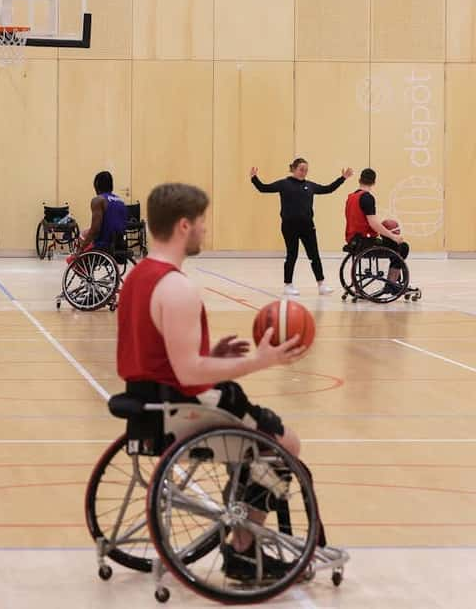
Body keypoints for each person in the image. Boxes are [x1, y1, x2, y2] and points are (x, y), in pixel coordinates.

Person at [117, 182, 306, 580]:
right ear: (184, 225)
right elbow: (189, 374)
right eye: (202, 221)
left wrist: (211, 355)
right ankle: (242, 545)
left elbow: (160, 354)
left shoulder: (138, 277)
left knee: (259, 431)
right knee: (285, 443)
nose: (206, 229)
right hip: (180, 407)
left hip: (148, 397)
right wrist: (260, 360)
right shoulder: (177, 287)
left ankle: (240, 504)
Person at [250, 158, 353, 296]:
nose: (304, 172)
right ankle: (288, 285)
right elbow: (264, 188)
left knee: (314, 255)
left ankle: (321, 284)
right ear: (293, 169)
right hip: (289, 226)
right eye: (301, 169)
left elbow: (328, 189)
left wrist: (343, 178)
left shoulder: (310, 186)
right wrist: (254, 178)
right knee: (292, 254)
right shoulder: (284, 184)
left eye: (306, 170)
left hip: (307, 226)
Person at [344, 168, 410, 292]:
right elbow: (374, 224)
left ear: (359, 180)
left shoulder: (351, 197)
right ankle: (391, 284)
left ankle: (392, 281)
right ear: (374, 182)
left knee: (392, 244)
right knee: (402, 247)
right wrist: (393, 236)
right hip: (366, 242)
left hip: (353, 240)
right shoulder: (367, 198)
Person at [73, 171, 127, 254]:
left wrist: (81, 249)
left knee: (83, 235)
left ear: (97, 186)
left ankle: (81, 264)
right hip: (120, 243)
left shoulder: (98, 200)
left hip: (104, 244)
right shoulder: (120, 201)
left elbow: (95, 229)